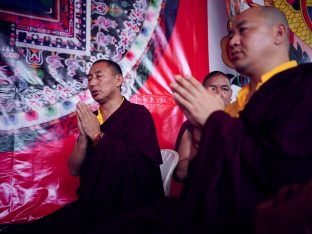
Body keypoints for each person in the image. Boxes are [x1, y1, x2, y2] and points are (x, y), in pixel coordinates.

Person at [170, 6, 312, 233]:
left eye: (243, 30)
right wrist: (201, 132)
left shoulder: (303, 84)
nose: (232, 41)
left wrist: (214, 121)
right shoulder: (234, 106)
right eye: (230, 34)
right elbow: (203, 180)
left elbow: (283, 174)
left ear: (279, 33)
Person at [2, 59, 164, 234]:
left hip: (128, 207)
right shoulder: (92, 119)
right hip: (91, 205)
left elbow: (142, 167)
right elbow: (74, 169)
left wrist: (97, 135)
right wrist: (84, 137)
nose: (92, 82)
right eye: (89, 78)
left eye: (99, 76)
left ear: (118, 80)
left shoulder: (138, 115)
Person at [174, 71, 232, 182]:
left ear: (230, 94)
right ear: (203, 93)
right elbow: (180, 174)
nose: (219, 93)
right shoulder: (192, 125)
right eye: (213, 88)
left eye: (225, 89)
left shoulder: (240, 122)